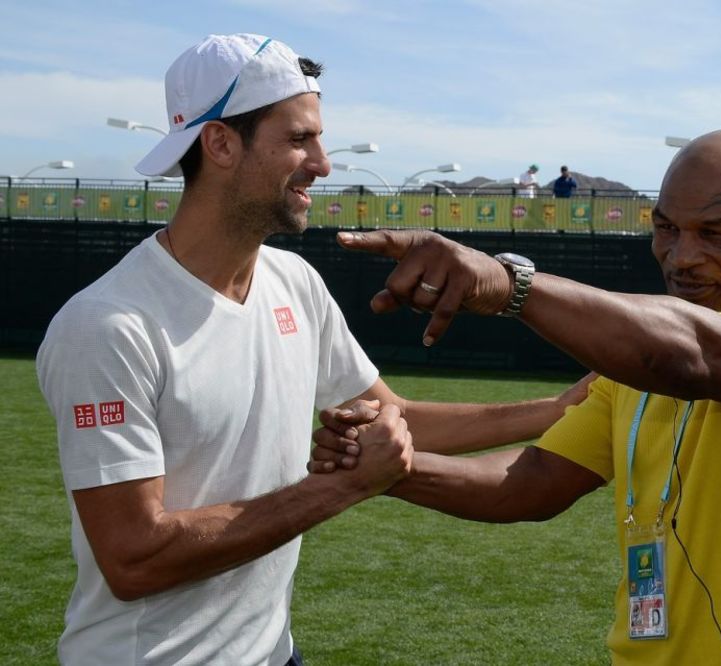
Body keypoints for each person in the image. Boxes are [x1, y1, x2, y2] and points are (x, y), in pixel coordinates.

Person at [36, 33, 581, 665]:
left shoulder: (293, 282)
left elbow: (391, 417)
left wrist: (562, 409)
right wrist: (343, 487)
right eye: (299, 139)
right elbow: (134, 557)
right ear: (219, 143)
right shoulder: (108, 326)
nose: (322, 163)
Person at [315, 130, 721, 664]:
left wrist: (510, 286)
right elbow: (530, 483)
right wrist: (391, 469)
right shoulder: (632, 356)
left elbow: (696, 354)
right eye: (667, 228)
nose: (682, 256)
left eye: (716, 233)